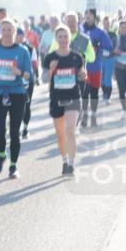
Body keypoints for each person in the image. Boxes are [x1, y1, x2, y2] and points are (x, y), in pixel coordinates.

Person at [0, 19, 32, 179]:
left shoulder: (22, 51)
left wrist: (18, 72)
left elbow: (29, 74)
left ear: (15, 32)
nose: (6, 33)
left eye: (9, 30)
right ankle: (1, 154)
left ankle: (13, 166)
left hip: (17, 93)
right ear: (0, 32)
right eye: (4, 30)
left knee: (14, 131)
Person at [41, 25, 87, 175]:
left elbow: (81, 75)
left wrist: (83, 75)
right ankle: (64, 160)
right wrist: (52, 69)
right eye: (60, 37)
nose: (63, 39)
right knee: (60, 135)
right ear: (56, 39)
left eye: (65, 36)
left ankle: (72, 164)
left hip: (73, 97)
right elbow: (44, 79)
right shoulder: (50, 57)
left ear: (69, 38)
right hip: (56, 98)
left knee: (70, 131)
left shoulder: (77, 57)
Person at [79, 9, 114, 126]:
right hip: (82, 67)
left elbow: (109, 46)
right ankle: (84, 115)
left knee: (94, 93)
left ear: (94, 17)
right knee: (84, 93)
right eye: (86, 14)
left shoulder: (100, 32)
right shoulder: (80, 29)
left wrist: (98, 44)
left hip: (95, 66)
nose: (87, 16)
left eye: (90, 14)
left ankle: (93, 115)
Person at [16, 27, 38, 139]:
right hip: (14, 81)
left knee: (26, 105)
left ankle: (25, 128)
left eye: (20, 35)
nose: (18, 37)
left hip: (27, 80)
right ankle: (16, 127)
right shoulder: (9, 48)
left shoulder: (30, 49)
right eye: (16, 35)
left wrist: (35, 75)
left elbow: (34, 64)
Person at [113, 19, 126, 121]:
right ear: (119, 29)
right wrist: (114, 51)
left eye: (125, 27)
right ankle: (124, 111)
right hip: (118, 68)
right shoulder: (115, 39)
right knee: (121, 90)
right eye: (122, 27)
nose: (124, 29)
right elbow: (109, 53)